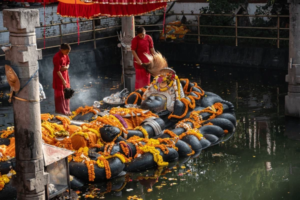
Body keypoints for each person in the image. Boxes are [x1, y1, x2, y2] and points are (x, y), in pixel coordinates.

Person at [52, 43, 71, 116]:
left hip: (65, 74)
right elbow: (57, 70)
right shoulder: (57, 56)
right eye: (66, 52)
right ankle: (61, 110)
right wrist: (63, 80)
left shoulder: (66, 54)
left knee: (67, 92)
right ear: (62, 50)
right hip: (59, 77)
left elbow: (68, 62)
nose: (67, 53)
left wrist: (66, 67)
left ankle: (67, 109)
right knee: (60, 94)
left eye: (68, 52)